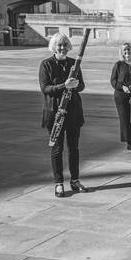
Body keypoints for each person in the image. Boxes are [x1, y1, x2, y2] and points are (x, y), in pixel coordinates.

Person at [39, 33, 89, 198]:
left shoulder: (74, 63)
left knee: (73, 148)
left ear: (68, 47)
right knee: (57, 149)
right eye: (59, 45)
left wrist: (75, 86)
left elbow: (81, 85)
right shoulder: (46, 64)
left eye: (64, 45)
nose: (62, 48)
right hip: (55, 112)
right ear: (54, 47)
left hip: (73, 111)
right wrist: (64, 86)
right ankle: (58, 183)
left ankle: (75, 180)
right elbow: (45, 88)